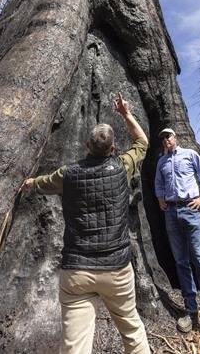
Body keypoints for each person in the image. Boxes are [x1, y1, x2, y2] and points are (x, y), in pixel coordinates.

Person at [23, 93, 151, 354]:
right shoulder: (122, 166)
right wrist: (126, 114)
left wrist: (28, 183)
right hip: (116, 269)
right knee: (133, 332)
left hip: (77, 271)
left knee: (75, 347)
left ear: (86, 144)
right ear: (113, 149)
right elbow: (142, 142)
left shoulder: (66, 176)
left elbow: (40, 184)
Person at [154, 127, 200, 348]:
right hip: (171, 212)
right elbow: (158, 183)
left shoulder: (190, 154)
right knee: (181, 261)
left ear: (175, 137)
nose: (166, 139)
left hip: (190, 210)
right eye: (163, 138)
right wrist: (160, 199)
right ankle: (191, 311)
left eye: (168, 136)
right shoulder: (161, 163)